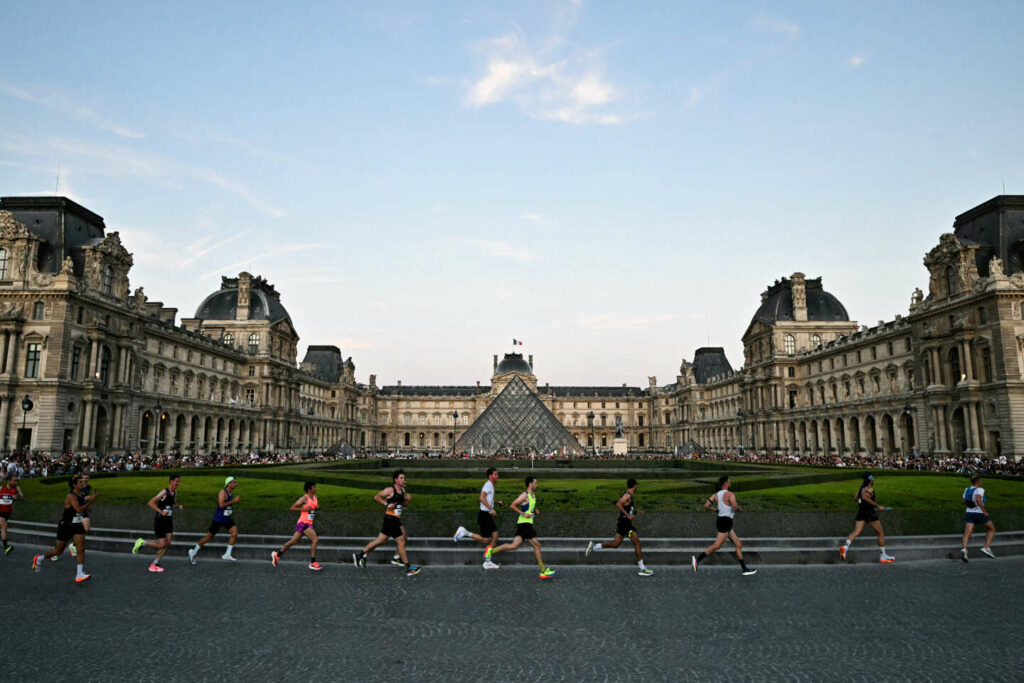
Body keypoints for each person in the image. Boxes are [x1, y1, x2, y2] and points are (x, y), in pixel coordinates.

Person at [484, 476, 555, 580]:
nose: (537, 485)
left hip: (524, 524)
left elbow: (528, 507)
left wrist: (535, 510)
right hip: (525, 524)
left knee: (514, 546)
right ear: (530, 484)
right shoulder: (524, 495)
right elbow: (513, 505)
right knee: (537, 545)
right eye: (536, 483)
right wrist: (523, 514)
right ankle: (543, 571)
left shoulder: (533, 495)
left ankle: (491, 551)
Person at [353, 470, 421, 576]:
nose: (404, 480)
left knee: (381, 540)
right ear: (396, 480)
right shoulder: (390, 490)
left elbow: (401, 505)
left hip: (396, 519)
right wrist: (386, 504)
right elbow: (376, 497)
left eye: (404, 478)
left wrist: (407, 500)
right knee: (401, 541)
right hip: (390, 519)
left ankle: (360, 555)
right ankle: (408, 567)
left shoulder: (403, 490)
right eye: (401, 478)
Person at [31, 475, 96, 583]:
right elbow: (79, 509)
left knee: (81, 548)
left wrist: (88, 507)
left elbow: (82, 504)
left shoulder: (82, 494)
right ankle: (39, 558)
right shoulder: (71, 496)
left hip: (77, 525)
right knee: (58, 551)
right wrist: (91, 501)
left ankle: (79, 573)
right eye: (80, 482)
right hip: (66, 526)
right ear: (74, 485)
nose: (83, 483)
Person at [585, 478, 653, 576]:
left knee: (616, 544)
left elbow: (626, 509)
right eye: (636, 486)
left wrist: (635, 512)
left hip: (623, 524)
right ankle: (642, 568)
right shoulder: (627, 496)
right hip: (625, 525)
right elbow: (618, 504)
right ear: (635, 486)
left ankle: (594, 547)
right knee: (637, 543)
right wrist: (628, 515)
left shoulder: (629, 496)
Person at [692, 476, 756, 576]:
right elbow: (734, 507)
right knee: (717, 546)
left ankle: (744, 568)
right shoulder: (730, 494)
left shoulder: (715, 495)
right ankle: (697, 560)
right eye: (729, 481)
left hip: (722, 520)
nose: (730, 482)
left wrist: (716, 510)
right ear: (726, 483)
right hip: (726, 521)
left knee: (738, 544)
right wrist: (738, 508)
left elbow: (706, 506)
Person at [453, 467, 504, 569]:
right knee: (486, 540)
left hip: (486, 514)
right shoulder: (488, 485)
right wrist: (491, 509)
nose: (497, 476)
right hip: (485, 514)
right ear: (490, 476)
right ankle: (465, 532)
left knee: (495, 536)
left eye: (497, 474)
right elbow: (481, 498)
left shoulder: (490, 485)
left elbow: (489, 499)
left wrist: (498, 503)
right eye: (495, 475)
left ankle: (487, 560)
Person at [132, 475, 183, 572]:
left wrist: (178, 506)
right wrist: (161, 511)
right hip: (160, 521)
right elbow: (150, 502)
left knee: (167, 543)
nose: (178, 483)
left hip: (169, 520)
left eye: (179, 481)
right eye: (177, 481)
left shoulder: (175, 492)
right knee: (162, 544)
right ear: (171, 481)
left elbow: (173, 503)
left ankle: (154, 564)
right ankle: (142, 543)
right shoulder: (164, 492)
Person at [839, 473, 895, 563]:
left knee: (856, 532)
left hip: (861, 512)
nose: (873, 481)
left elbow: (855, 498)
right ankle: (883, 555)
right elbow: (865, 497)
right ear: (871, 480)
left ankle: (845, 547)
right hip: (870, 513)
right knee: (880, 532)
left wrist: (860, 500)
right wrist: (877, 505)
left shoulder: (860, 488)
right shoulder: (869, 489)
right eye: (872, 480)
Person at [189, 476, 241, 564]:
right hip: (219, 519)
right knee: (208, 537)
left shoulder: (231, 492)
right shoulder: (222, 493)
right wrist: (233, 501)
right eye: (234, 482)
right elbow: (221, 505)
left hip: (226, 518)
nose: (236, 484)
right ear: (229, 483)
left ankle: (227, 554)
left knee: (235, 533)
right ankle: (193, 551)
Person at [271, 482, 322, 570]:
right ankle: (313, 562)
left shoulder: (315, 498)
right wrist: (304, 509)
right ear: (309, 489)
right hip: (303, 522)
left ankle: (277, 554)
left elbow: (314, 508)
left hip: (309, 523)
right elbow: (292, 507)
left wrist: (316, 508)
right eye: (314, 487)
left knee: (294, 541)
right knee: (315, 539)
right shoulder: (304, 498)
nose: (316, 489)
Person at [960, 474, 996, 561]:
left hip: (969, 513)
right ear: (978, 482)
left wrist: (970, 504)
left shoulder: (967, 489)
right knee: (991, 529)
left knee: (967, 532)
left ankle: (964, 549)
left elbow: (963, 501)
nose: (981, 482)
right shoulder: (980, 489)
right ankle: (986, 547)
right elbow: (978, 498)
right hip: (979, 513)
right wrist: (984, 511)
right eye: (981, 481)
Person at [68, 472, 92, 558]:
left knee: (87, 529)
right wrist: (86, 498)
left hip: (83, 510)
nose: (85, 479)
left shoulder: (88, 487)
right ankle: (74, 546)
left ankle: (73, 545)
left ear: (89, 479)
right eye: (83, 478)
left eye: (86, 478)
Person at [0, 474, 24, 555]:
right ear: (9, 481)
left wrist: (17, 497)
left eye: (17, 481)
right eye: (14, 481)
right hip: (0, 511)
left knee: (4, 527)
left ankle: (6, 546)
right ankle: (6, 547)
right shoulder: (1, 488)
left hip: (7, 513)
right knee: (4, 526)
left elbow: (22, 498)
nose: (16, 482)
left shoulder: (17, 488)